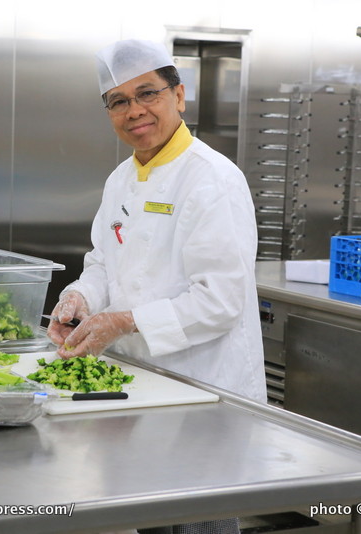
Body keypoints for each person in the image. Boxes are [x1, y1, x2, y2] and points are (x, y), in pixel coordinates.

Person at [47, 37, 265, 534]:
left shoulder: (212, 180)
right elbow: (103, 262)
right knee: (147, 516)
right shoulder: (121, 180)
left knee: (198, 522)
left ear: (179, 95)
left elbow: (220, 301)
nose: (134, 111)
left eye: (147, 93)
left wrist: (123, 322)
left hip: (204, 394)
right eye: (118, 101)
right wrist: (80, 298)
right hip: (140, 389)